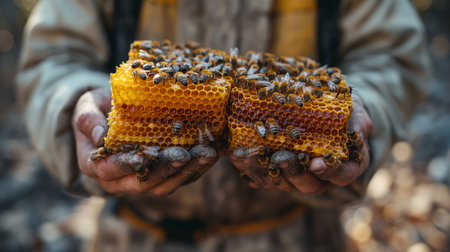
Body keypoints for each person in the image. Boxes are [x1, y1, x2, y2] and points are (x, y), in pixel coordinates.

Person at [16, 0, 431, 251]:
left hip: (299, 237)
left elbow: (390, 55)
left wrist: (362, 113)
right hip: (132, 237)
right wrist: (75, 105)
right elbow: (54, 54)